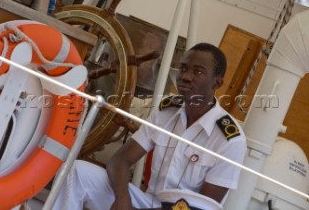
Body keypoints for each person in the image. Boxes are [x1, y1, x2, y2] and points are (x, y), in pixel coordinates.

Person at [52, 42, 247, 210]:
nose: (186, 76)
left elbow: (201, 207)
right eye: (183, 68)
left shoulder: (230, 140)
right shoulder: (166, 112)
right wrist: (123, 198)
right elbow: (120, 160)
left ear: (217, 82)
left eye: (198, 71)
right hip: (147, 202)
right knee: (77, 172)